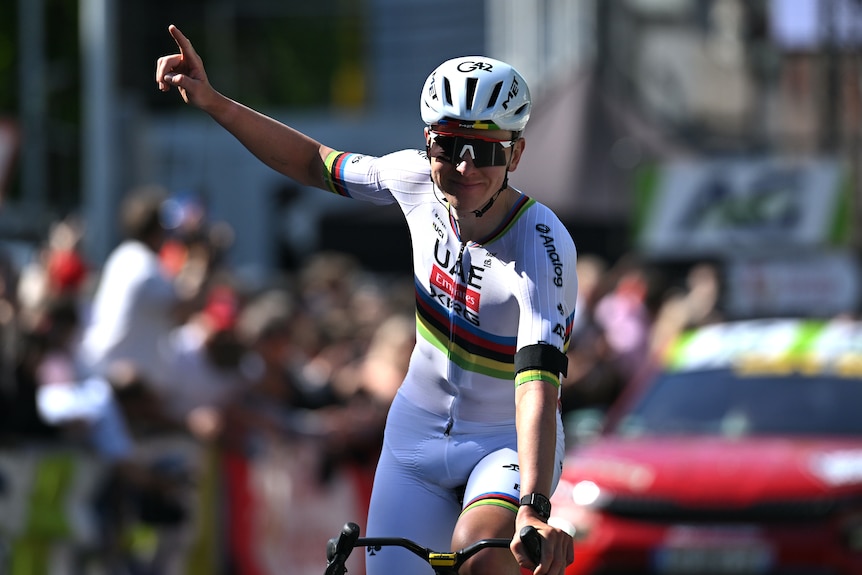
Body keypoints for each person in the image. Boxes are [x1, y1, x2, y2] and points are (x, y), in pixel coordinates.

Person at [156, 24, 577, 575]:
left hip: (503, 443)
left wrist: (534, 507)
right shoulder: (413, 181)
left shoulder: (542, 245)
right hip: (416, 431)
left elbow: (538, 388)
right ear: (429, 144)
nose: (465, 167)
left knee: (480, 559)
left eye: (485, 150)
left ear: (516, 153)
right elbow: (312, 162)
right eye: (449, 147)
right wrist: (213, 102)